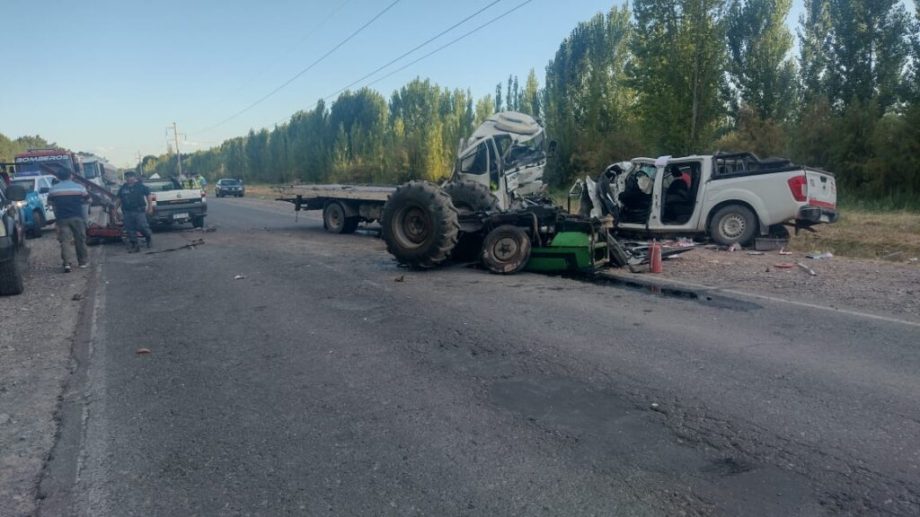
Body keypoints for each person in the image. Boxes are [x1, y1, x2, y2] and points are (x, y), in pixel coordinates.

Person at [48, 170, 90, 272]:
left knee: (65, 241)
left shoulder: (53, 189)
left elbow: (50, 202)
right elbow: (88, 200)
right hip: (77, 217)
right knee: (80, 240)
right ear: (71, 176)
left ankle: (67, 264)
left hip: (62, 218)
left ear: (58, 177)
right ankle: (82, 262)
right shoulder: (79, 187)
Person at [115, 171, 154, 252]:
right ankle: (134, 244)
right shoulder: (123, 188)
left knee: (142, 226)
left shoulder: (140, 186)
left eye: (131, 176)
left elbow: (148, 196)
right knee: (130, 229)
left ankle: (148, 237)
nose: (129, 178)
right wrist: (115, 210)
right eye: (127, 177)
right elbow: (119, 199)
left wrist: (150, 207)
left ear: (134, 177)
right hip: (127, 212)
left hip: (139, 211)